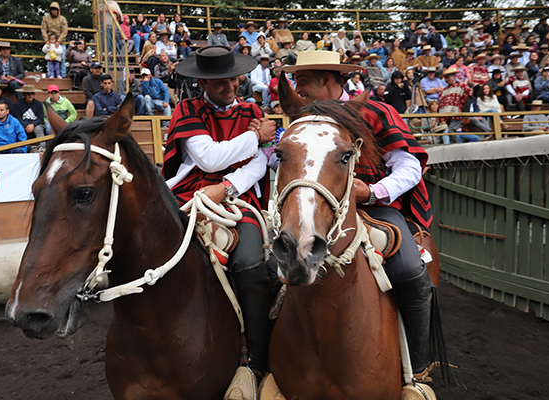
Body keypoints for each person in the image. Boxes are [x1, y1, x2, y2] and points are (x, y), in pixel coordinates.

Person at [281, 49, 437, 382]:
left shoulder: (378, 111)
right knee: (268, 265)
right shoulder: (301, 119)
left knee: (410, 270)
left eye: (303, 81)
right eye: (295, 81)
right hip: (318, 209)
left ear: (327, 79)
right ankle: (266, 363)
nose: (298, 88)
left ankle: (420, 369)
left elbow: (409, 167)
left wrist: (372, 192)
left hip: (375, 208)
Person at [164, 46, 276, 388]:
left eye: (233, 80)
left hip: (237, 198)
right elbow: (209, 158)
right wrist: (255, 136)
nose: (229, 87)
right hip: (190, 193)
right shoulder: (186, 109)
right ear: (203, 84)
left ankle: (259, 360)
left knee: (251, 265)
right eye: (220, 83)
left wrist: (228, 187)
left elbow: (263, 162)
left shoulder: (253, 107)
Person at [439, 67, 488, 140]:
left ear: (454, 76)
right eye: (446, 78)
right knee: (450, 131)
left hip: (458, 113)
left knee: (451, 130)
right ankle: (454, 145)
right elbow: (442, 103)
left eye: (449, 77)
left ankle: (456, 146)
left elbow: (467, 98)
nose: (447, 79)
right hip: (448, 115)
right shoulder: (445, 90)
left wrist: (466, 113)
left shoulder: (462, 86)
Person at [11, 85, 46, 151]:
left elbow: (41, 118)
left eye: (32, 93)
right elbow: (17, 117)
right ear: (24, 94)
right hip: (22, 123)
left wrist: (33, 124)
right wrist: (27, 125)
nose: (30, 96)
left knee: (39, 129)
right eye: (28, 94)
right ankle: (23, 146)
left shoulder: (38, 104)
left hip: (36, 124)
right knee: (19, 129)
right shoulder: (18, 104)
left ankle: (42, 147)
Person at [41, 2, 69, 78]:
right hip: (50, 42)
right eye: (52, 10)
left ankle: (62, 75)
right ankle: (51, 74)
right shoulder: (46, 18)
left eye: (55, 10)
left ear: (58, 10)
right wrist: (46, 40)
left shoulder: (62, 19)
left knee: (62, 59)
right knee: (49, 59)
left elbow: (65, 31)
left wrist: (59, 41)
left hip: (61, 42)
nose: (54, 11)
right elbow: (43, 29)